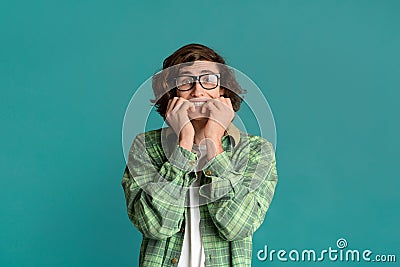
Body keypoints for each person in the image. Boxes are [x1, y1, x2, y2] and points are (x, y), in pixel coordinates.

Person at [121, 43, 278, 266]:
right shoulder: (145, 146)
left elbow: (237, 226)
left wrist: (213, 142)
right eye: (186, 81)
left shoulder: (255, 150)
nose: (198, 91)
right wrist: (184, 144)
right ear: (173, 92)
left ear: (222, 89)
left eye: (209, 80)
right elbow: (155, 226)